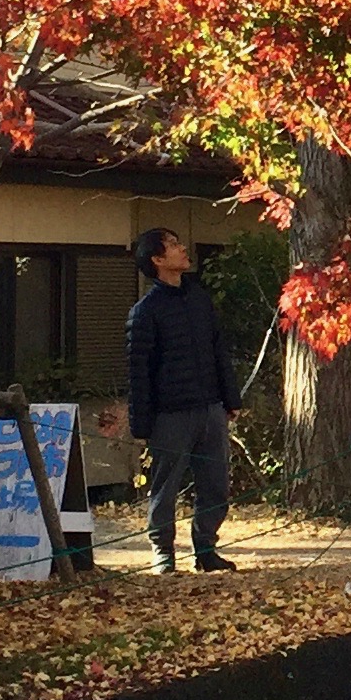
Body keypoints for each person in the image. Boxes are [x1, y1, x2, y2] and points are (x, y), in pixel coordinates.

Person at [125, 226, 242, 574]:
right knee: (165, 487)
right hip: (169, 414)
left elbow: (218, 350)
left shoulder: (199, 299)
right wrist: (141, 423)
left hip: (210, 406)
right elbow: (138, 373)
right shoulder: (145, 312)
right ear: (157, 260)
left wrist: (230, 397)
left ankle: (206, 548)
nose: (183, 249)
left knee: (216, 484)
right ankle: (163, 552)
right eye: (173, 246)